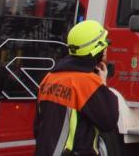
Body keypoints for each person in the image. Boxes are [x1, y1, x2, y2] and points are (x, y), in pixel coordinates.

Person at [34, 19, 119, 156]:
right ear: (98, 49)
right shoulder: (87, 82)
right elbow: (109, 121)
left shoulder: (49, 78)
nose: (106, 49)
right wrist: (102, 84)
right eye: (105, 45)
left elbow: (38, 127)